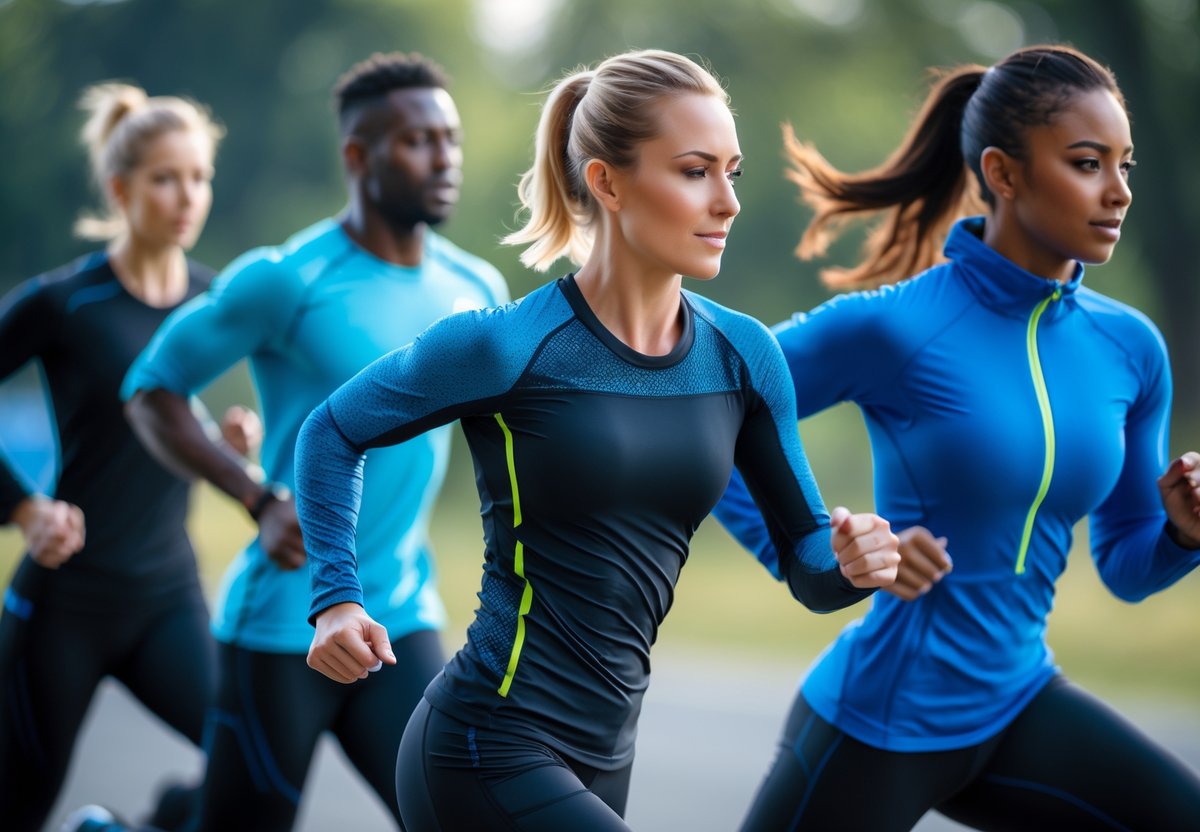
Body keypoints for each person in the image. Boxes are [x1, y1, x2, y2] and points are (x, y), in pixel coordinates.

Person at [293, 48, 901, 831]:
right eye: (693, 172)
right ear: (607, 181)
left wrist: (851, 562)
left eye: (732, 172)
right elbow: (333, 430)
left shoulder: (744, 357)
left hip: (606, 758)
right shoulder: (508, 347)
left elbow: (807, 561)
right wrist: (336, 600)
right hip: (485, 744)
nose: (727, 202)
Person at [713, 43, 1200, 830]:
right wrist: (821, 544)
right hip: (878, 719)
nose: (1117, 191)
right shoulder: (895, 326)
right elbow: (713, 413)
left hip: (1017, 701)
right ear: (1003, 173)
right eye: (1087, 163)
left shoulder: (1130, 349)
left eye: (1125, 165)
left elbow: (1124, 566)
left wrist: (1183, 537)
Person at [109, 52, 509, 832]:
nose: (443, 159)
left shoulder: (476, 290)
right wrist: (254, 496)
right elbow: (150, 388)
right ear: (358, 157)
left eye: (450, 140)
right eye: (417, 141)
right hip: (284, 622)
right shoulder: (288, 279)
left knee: (456, 817)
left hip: (398, 616)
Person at [0, 82, 257, 832]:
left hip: (165, 599)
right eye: (165, 178)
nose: (188, 196)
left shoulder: (213, 301)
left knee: (249, 776)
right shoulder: (64, 302)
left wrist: (222, 445)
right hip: (62, 605)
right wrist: (22, 508)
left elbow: (170, 414)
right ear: (120, 188)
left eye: (200, 177)